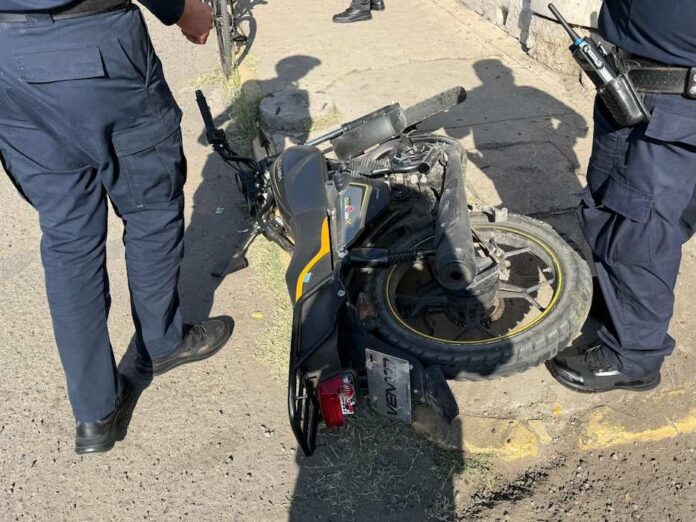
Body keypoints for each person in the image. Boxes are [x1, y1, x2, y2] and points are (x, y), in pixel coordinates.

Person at [0, 0, 234, 454]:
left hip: (8, 61)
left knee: (68, 238)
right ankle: (162, 343)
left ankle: (95, 413)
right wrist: (182, 10)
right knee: (151, 209)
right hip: (93, 45)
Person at [547, 0, 696, 393]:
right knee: (665, 220)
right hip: (670, 95)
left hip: (661, 98)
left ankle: (632, 356)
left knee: (633, 230)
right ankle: (623, 308)